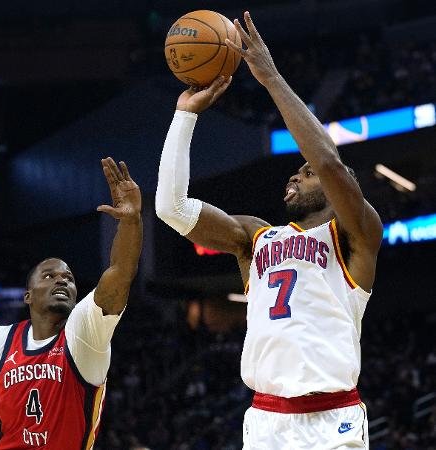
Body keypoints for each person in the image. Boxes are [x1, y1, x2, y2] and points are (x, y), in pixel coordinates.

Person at [156, 11, 382, 449]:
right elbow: (171, 208)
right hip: (265, 420)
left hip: (331, 419)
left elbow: (329, 162)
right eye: (295, 173)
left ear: (340, 192)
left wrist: (272, 78)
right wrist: (184, 116)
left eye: (305, 173)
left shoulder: (356, 235)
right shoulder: (257, 237)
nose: (295, 177)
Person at [0, 157, 143, 449]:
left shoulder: (84, 333)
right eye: (49, 275)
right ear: (28, 295)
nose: (62, 280)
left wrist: (131, 222)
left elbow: (120, 275)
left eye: (68, 277)